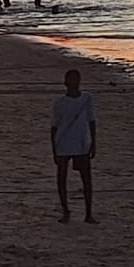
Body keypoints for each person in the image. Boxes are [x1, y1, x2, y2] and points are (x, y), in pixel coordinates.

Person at [51, 68, 97, 223]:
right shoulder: (59, 102)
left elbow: (91, 121)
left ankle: (88, 213)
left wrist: (94, 142)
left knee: (86, 179)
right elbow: (54, 127)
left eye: (75, 80)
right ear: (65, 83)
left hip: (81, 143)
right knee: (62, 178)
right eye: (70, 80)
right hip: (63, 143)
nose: (73, 83)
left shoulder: (87, 98)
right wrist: (54, 149)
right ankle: (65, 211)